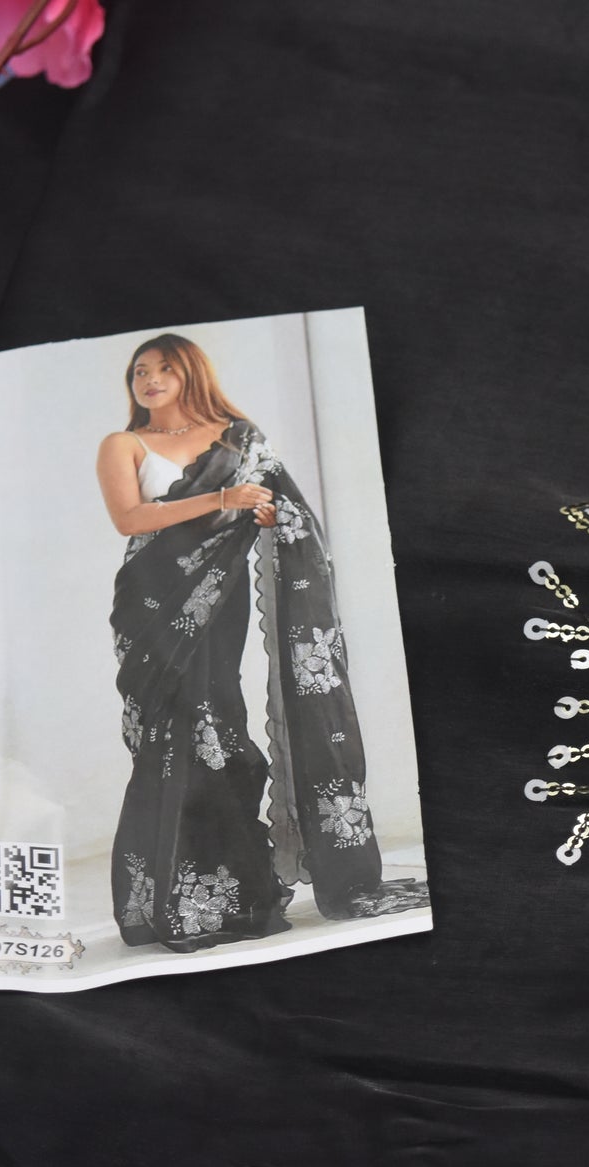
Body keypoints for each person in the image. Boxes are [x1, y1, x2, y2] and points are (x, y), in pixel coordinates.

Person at [94, 333, 419, 951]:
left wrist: (263, 515)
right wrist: (223, 498)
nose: (150, 379)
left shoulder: (237, 439)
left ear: (191, 373)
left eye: (164, 368)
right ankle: (169, 903)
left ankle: (238, 896)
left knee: (219, 724)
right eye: (140, 371)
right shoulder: (124, 443)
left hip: (220, 595)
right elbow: (128, 519)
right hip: (151, 602)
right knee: (170, 733)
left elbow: (277, 511)